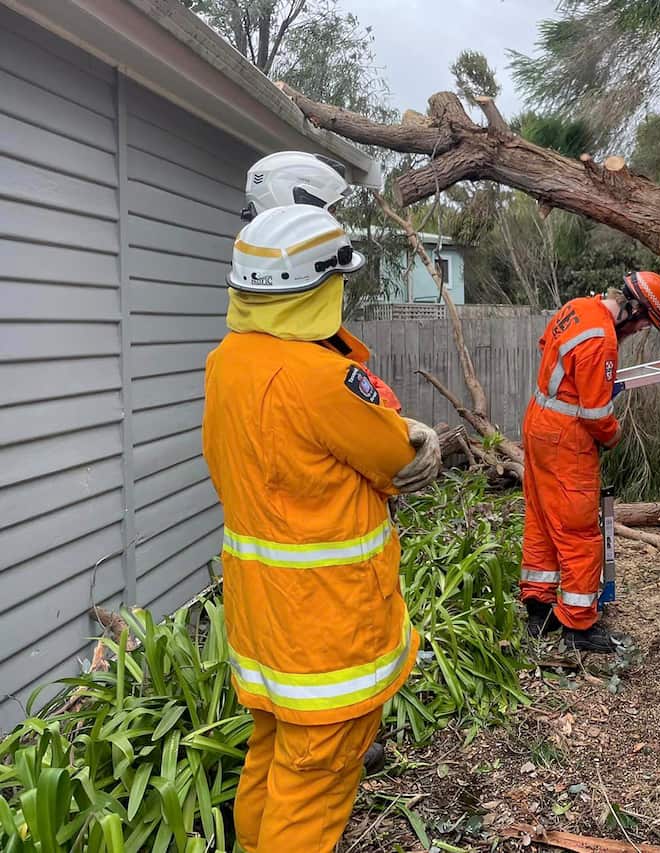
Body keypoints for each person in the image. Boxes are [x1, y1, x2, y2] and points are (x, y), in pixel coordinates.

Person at [203, 205, 441, 851]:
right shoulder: (319, 377)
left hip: (262, 623)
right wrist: (418, 437)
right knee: (315, 784)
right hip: (327, 633)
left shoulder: (226, 362)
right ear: (319, 288)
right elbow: (397, 458)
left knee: (272, 758)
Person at [521, 271, 660, 652]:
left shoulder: (577, 308)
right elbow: (595, 414)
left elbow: (549, 347)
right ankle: (577, 625)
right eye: (643, 323)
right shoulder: (603, 340)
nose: (639, 330)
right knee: (579, 531)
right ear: (633, 309)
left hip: (538, 422)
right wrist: (614, 434)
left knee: (542, 517)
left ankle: (538, 608)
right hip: (567, 437)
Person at [241, 150, 402, 412]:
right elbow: (383, 433)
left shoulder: (232, 351)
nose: (336, 222)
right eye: (333, 211)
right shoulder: (309, 364)